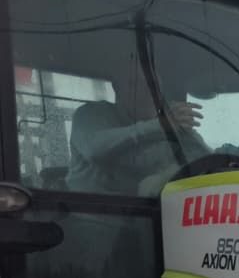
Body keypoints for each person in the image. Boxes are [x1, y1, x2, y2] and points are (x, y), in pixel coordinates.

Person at [67, 78, 209, 196]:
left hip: (146, 215)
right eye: (136, 84)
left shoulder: (166, 125)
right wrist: (159, 125)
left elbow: (205, 161)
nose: (149, 92)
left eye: (155, 86)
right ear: (117, 87)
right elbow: (94, 150)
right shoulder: (90, 114)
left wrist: (185, 132)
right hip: (87, 214)